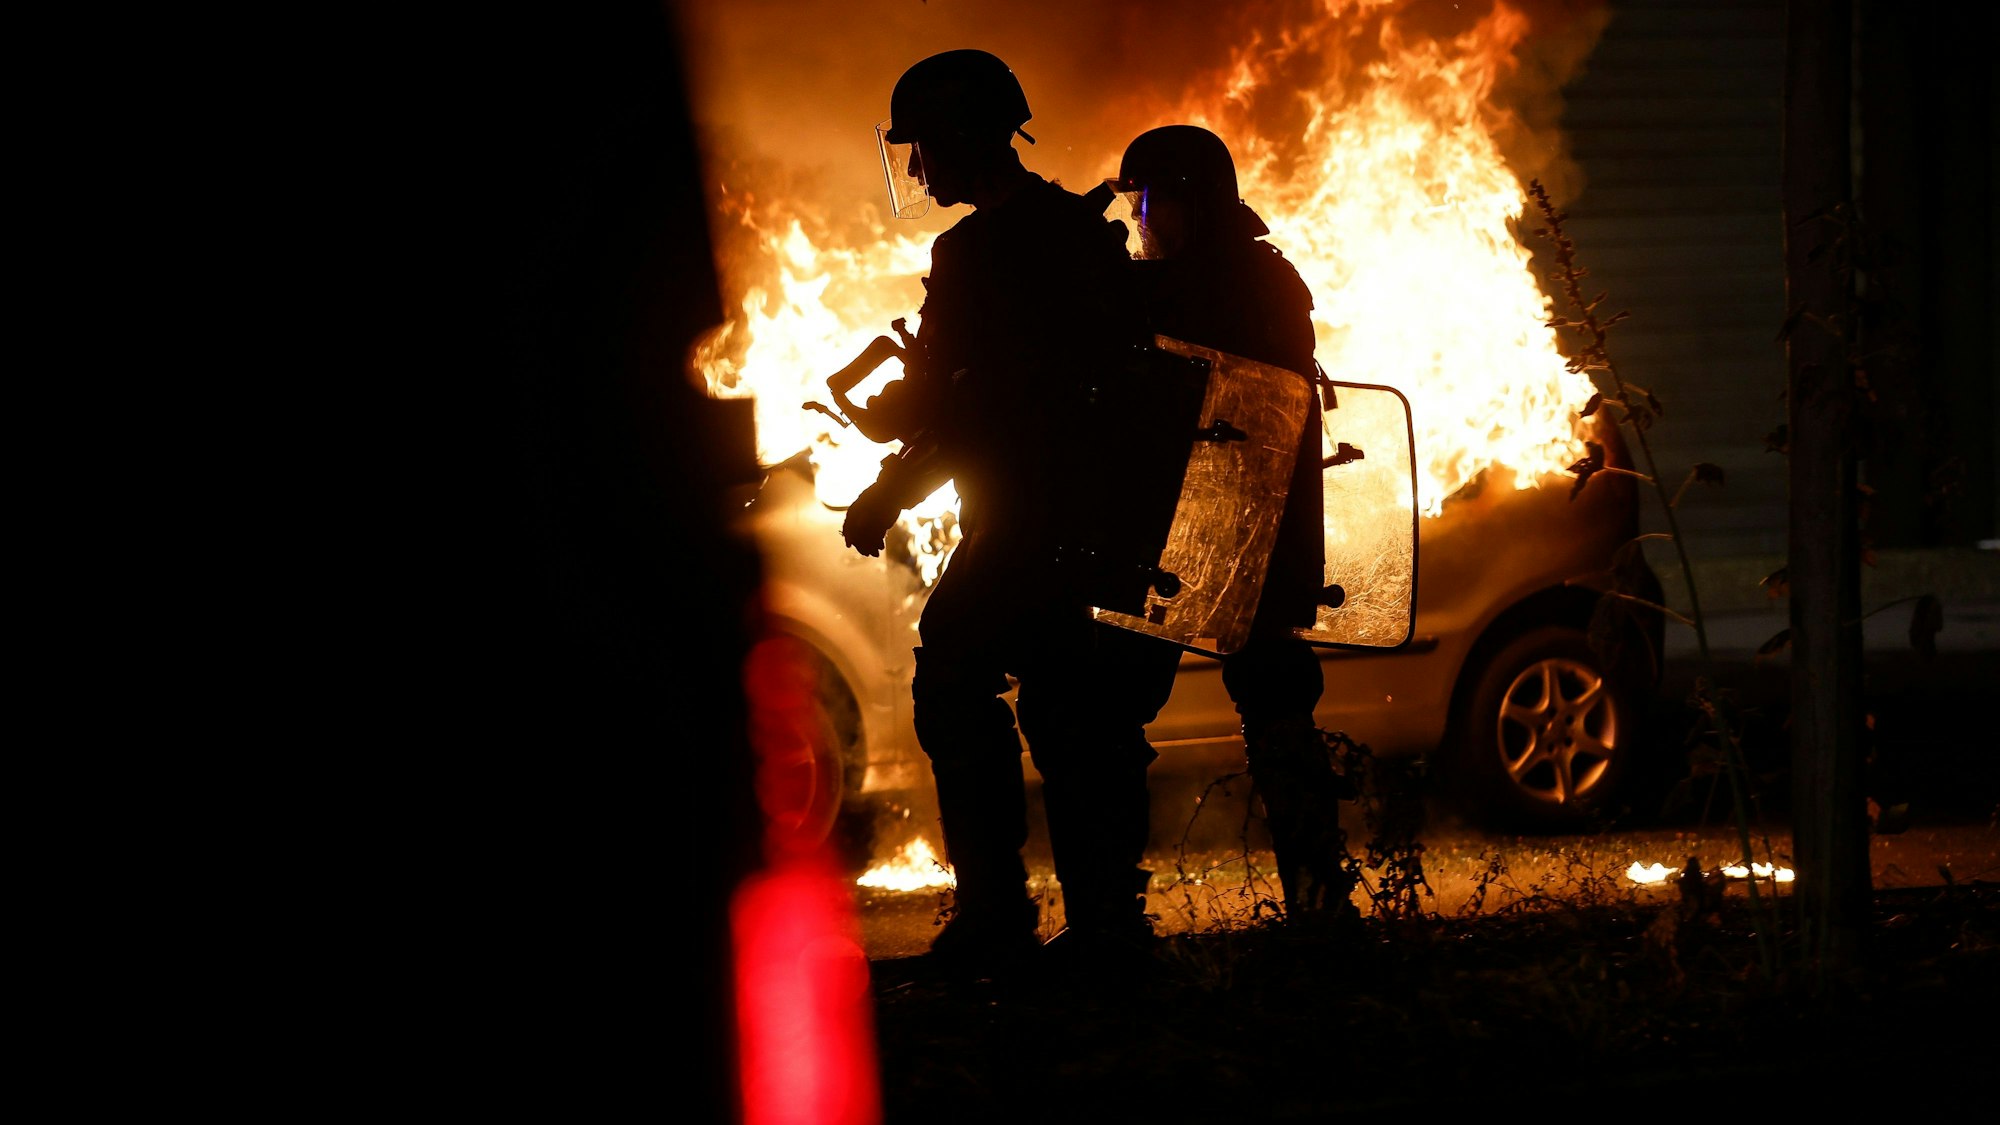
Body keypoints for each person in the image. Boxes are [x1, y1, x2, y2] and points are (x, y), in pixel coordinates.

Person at [840, 49, 1167, 977]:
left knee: (953, 681)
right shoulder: (1079, 231)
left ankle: (998, 913)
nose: (917, 169)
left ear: (964, 139)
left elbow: (971, 408)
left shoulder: (977, 251)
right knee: (1075, 712)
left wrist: (889, 481)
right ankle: (1105, 925)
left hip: (1027, 517)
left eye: (925, 147)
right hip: (1098, 517)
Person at [1110, 124, 1358, 919]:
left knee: (1113, 705)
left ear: (1187, 201)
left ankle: (1115, 916)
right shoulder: (1266, 277)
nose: (1144, 221)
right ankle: (1321, 906)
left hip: (1214, 529)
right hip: (1241, 530)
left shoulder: (1210, 287)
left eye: (1149, 201)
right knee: (1273, 705)